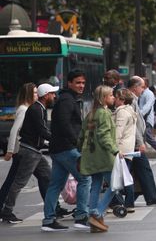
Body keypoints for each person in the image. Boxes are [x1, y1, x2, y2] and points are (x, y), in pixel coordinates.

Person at [42, 70, 92, 232]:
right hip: (67, 148)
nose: (81, 86)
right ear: (69, 83)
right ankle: (81, 217)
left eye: (83, 83)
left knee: (55, 184)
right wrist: (77, 144)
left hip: (59, 148)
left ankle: (49, 220)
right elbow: (65, 125)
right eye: (78, 82)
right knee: (85, 179)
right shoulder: (67, 101)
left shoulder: (67, 99)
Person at [0, 84, 54, 224]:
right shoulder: (32, 109)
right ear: (46, 95)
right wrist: (10, 150)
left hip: (33, 150)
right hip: (29, 151)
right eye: (52, 94)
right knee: (18, 182)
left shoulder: (37, 108)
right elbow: (17, 131)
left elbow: (36, 131)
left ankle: (53, 208)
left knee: (47, 175)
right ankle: (7, 212)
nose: (54, 96)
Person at [79, 85, 121, 233]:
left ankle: (93, 215)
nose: (113, 98)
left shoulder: (91, 113)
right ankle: (98, 212)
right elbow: (104, 135)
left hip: (91, 155)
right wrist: (115, 150)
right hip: (103, 155)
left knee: (96, 185)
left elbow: (82, 135)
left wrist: (81, 151)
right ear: (104, 98)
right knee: (115, 185)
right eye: (111, 96)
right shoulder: (104, 113)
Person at [127, 76, 156, 206]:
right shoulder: (131, 100)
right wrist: (140, 142)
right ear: (134, 87)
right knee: (139, 170)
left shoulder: (133, 99)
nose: (143, 90)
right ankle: (148, 198)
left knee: (140, 171)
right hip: (134, 142)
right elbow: (134, 124)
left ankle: (148, 197)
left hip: (134, 141)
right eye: (141, 87)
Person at [113, 88, 138, 212]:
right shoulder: (130, 111)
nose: (114, 99)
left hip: (121, 149)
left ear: (121, 100)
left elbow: (118, 131)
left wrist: (114, 148)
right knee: (126, 176)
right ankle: (128, 203)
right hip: (128, 148)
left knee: (120, 177)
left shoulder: (122, 112)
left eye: (116, 97)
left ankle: (125, 203)